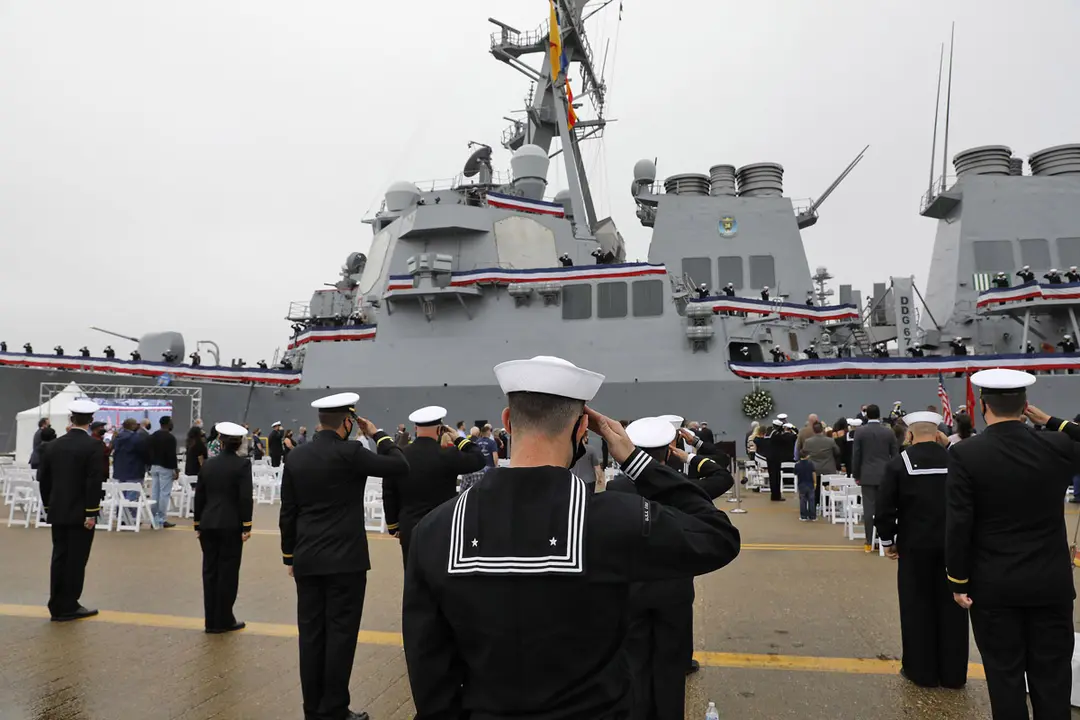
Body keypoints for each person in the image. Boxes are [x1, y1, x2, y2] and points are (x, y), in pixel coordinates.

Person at [401, 356, 741, 719]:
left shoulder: (435, 530)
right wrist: (635, 460)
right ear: (583, 430)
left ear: (507, 421)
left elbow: (429, 671)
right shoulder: (614, 520)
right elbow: (717, 536)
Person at [946, 370, 1078, 719]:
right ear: (1025, 407)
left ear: (984, 406)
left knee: (1004, 678)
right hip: (1050, 584)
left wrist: (958, 581)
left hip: (994, 586)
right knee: (1052, 678)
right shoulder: (1059, 445)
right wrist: (1054, 422)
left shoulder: (966, 453)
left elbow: (959, 521)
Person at [280, 392, 408, 720]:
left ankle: (313, 709)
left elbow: (288, 511)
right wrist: (377, 434)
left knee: (310, 636)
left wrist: (289, 556)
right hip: (345, 561)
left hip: (307, 558)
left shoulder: (296, 457)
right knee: (340, 635)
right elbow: (399, 465)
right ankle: (334, 709)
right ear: (348, 422)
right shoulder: (351, 452)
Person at [606, 417, 734, 720]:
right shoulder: (683, 488)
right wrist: (686, 455)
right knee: (672, 663)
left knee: (635, 661)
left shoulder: (616, 487)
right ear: (669, 450)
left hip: (632, 586)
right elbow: (723, 474)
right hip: (674, 586)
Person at [878, 412, 969, 691]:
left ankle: (921, 671)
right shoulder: (957, 460)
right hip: (953, 547)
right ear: (938, 433)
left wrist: (887, 540)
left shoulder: (898, 464)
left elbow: (884, 508)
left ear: (910, 435)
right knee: (953, 609)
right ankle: (953, 674)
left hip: (914, 546)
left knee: (916, 607)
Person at [383, 406, 486, 568]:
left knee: (413, 575)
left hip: (410, 527)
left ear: (416, 428)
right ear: (440, 430)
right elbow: (479, 459)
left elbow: (389, 491)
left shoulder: (400, 455)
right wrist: (459, 438)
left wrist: (393, 525)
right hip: (442, 526)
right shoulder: (448, 455)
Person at [38, 399, 106, 621]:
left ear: (71, 419)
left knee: (59, 556)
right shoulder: (94, 446)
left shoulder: (52, 446)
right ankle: (69, 604)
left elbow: (44, 480)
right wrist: (91, 512)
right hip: (80, 512)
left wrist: (49, 505)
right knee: (77, 559)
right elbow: (94, 481)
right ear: (91, 421)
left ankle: (56, 602)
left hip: (58, 510)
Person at [193, 421, 253, 634]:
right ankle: (225, 618)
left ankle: (210, 620)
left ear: (220, 440)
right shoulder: (243, 465)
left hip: (208, 523)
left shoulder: (208, 464)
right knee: (228, 572)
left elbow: (200, 495)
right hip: (231, 524)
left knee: (209, 571)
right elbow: (245, 497)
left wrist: (197, 523)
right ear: (239, 444)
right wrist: (247, 525)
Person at [852, 404, 898, 552]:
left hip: (867, 475)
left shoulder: (860, 432)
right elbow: (895, 455)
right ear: (879, 415)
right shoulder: (888, 432)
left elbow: (856, 455)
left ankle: (868, 541)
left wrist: (856, 474)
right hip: (886, 475)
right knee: (885, 509)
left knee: (869, 509)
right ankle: (884, 540)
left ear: (866, 415)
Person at [148, 416, 179, 530]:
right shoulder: (170, 438)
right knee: (164, 494)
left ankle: (153, 519)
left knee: (155, 493)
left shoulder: (153, 436)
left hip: (154, 467)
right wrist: (175, 469)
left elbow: (148, 451)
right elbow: (171, 455)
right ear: (167, 424)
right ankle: (161, 519)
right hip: (166, 467)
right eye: (171, 422)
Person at [794, 450, 817, 521]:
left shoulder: (797, 464)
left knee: (802, 500)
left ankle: (803, 516)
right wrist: (815, 482)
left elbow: (795, 473)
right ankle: (812, 516)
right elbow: (814, 473)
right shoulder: (811, 464)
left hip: (801, 484)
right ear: (807, 456)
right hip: (810, 484)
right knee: (811, 500)